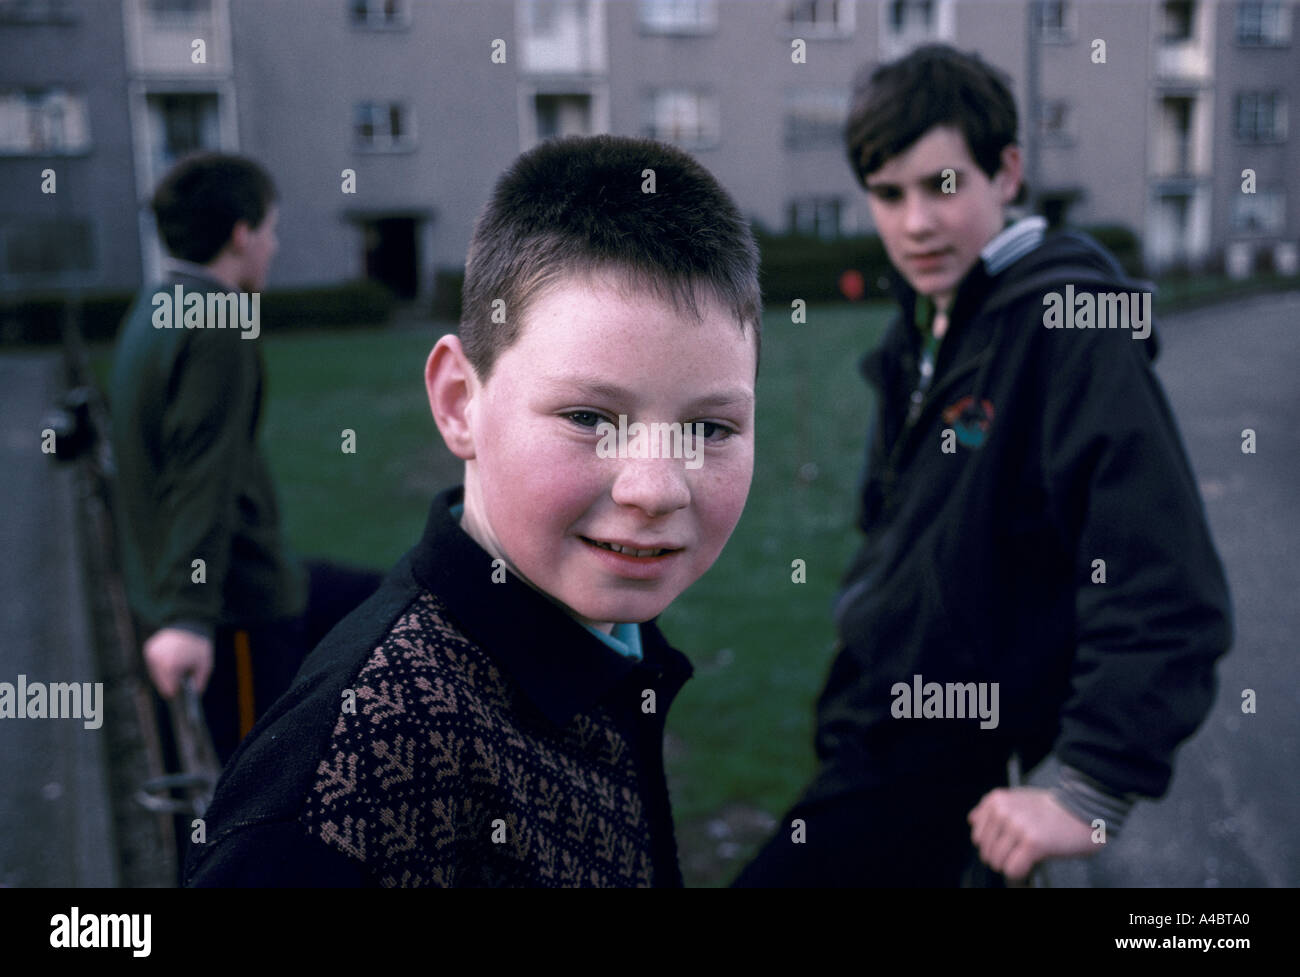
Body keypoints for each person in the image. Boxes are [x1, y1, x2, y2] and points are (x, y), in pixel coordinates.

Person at [184, 134, 762, 887]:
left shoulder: (599, 640)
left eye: (708, 429)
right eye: (590, 417)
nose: (655, 488)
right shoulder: (345, 784)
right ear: (460, 402)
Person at [734, 44, 1232, 887]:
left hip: (960, 755)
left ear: (1007, 172)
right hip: (879, 716)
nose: (915, 223)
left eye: (943, 185)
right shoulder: (927, 323)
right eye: (888, 194)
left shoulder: (1071, 322)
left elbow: (1165, 582)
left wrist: (1089, 790)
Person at [110, 152, 380, 768]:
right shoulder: (218, 321)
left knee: (392, 594)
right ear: (241, 233)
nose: (274, 246)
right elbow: (199, 474)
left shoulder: (156, 305)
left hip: (229, 591)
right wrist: (188, 617)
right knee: (255, 791)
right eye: (271, 229)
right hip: (239, 614)